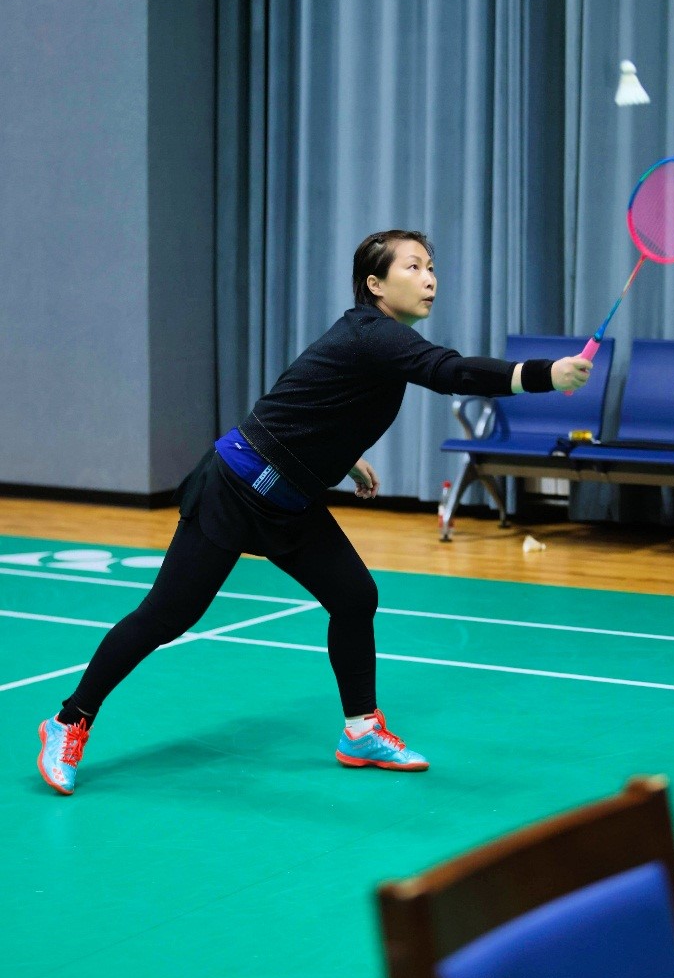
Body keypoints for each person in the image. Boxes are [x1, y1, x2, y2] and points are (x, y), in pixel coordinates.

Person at [37, 230, 592, 794]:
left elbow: (309, 398)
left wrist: (344, 459)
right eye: (414, 267)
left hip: (290, 500)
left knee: (354, 596)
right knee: (166, 616)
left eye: (431, 267)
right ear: (375, 284)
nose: (429, 279)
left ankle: (361, 730)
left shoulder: (379, 341)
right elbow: (452, 373)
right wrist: (545, 375)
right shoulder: (375, 335)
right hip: (235, 486)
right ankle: (68, 721)